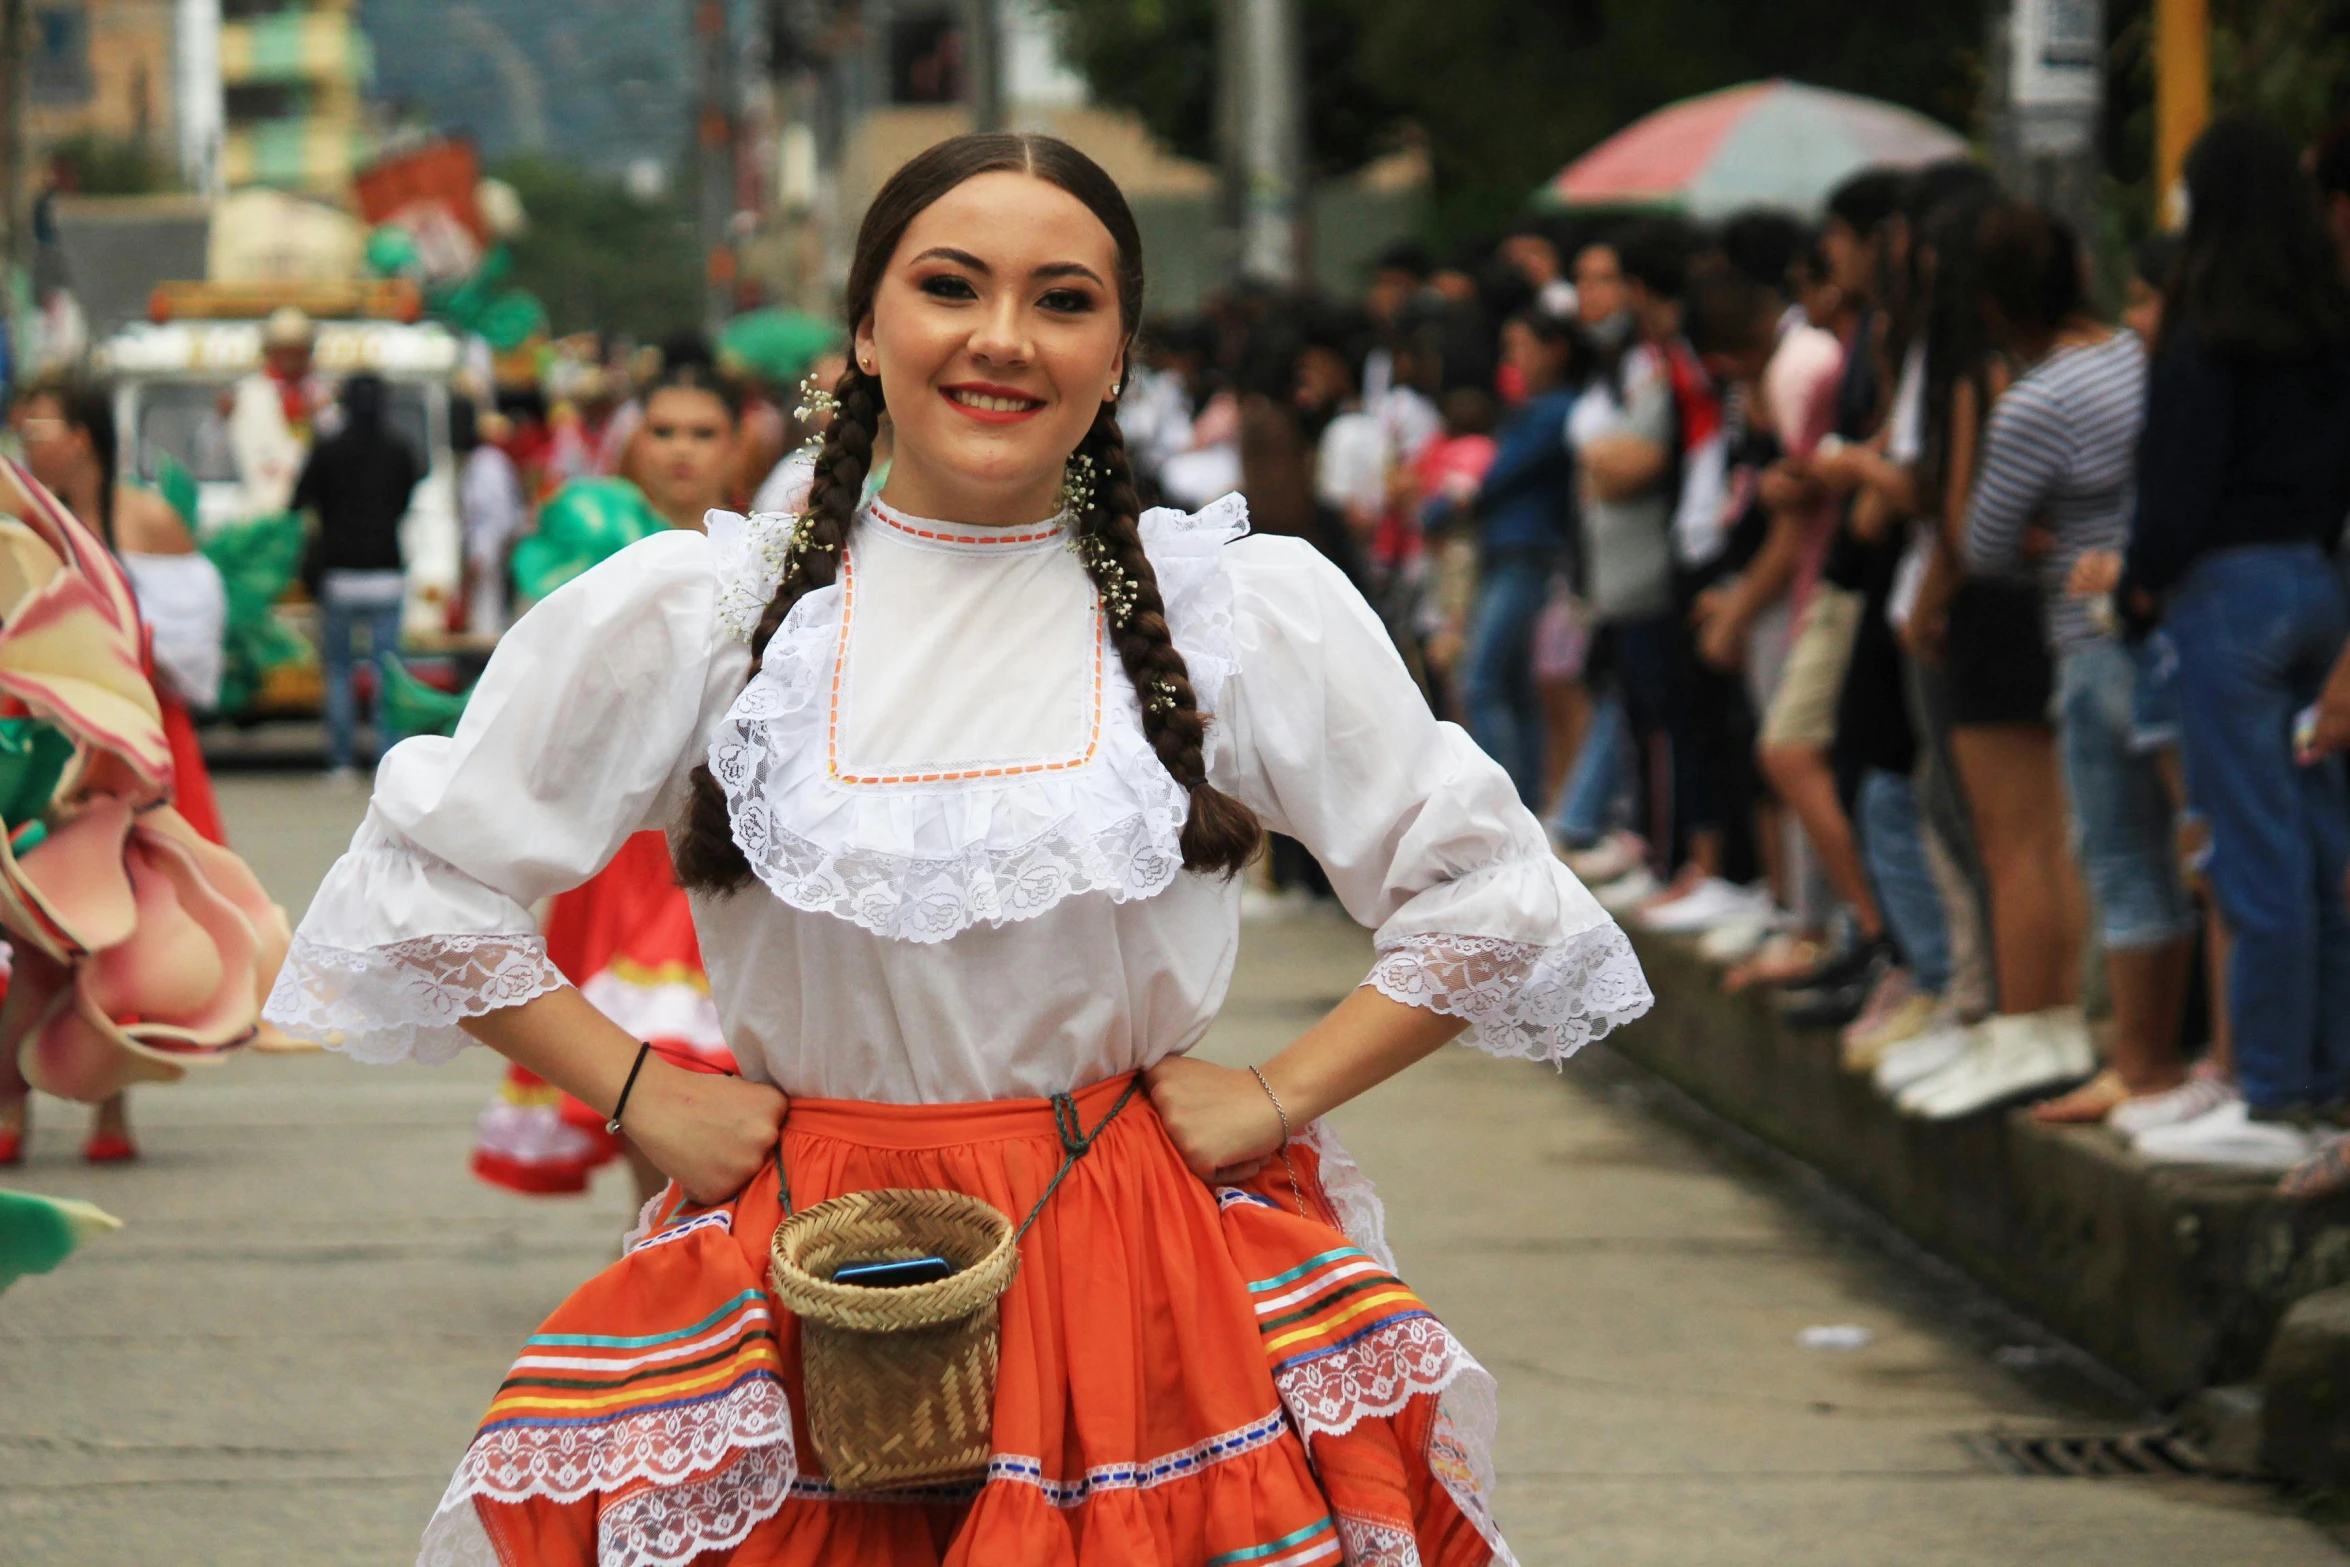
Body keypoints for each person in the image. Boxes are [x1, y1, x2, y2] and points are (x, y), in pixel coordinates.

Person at [264, 132, 1650, 1565]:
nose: (1002, 340)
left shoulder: (1231, 609)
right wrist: (639, 1094)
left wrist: (1276, 1096)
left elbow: (1492, 896)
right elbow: (419, 883)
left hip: (1139, 1264)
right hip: (803, 1262)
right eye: (949, 286)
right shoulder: (704, 610)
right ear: (865, 326)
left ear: (1119, 351)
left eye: (1063, 300)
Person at [2114, 114, 2350, 1179]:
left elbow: (2174, 484)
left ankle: (2268, 1091)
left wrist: (2138, 585)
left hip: (2226, 595)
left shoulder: (2203, 325)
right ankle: (2322, 1077)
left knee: (2248, 849)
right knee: (2316, 848)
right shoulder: (2326, 319)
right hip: (2316, 580)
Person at [474, 360, 744, 1200]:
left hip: (732, 829)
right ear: (632, 443)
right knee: (643, 1048)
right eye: (663, 431)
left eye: (703, 433)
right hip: (625, 840)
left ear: (739, 445)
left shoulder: (776, 544)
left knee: (728, 1055)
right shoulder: (591, 544)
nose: (681, 451)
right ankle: (657, 1239)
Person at [1948, 201, 2193, 1121]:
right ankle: (2185, 1063)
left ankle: (2140, 1063)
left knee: (2124, 854)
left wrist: (2042, 538)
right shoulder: (2148, 364)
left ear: (1994, 306)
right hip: (2176, 627)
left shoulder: (2039, 401)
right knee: (2198, 849)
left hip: (2092, 638)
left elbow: (1982, 541)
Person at [0, 380, 239, 1164]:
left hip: (129, 754)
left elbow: (194, 649)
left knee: (120, 936)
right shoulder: (16, 523)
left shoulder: (146, 520)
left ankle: (109, 1114)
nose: (29, 437)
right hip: (36, 746)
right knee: (35, 937)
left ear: (83, 437)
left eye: (43, 423)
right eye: (25, 424)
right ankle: (10, 1107)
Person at [293, 373, 423, 778]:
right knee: (388, 672)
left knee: (339, 669)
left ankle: (342, 761)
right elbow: (405, 498)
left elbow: (299, 500)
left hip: (339, 575)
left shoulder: (328, 448)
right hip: (387, 570)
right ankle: (390, 760)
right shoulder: (401, 449)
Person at [229, 307, 326, 518]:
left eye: (298, 350)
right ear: (270, 352)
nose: (291, 358)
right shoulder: (247, 394)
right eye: (284, 349)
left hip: (312, 515)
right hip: (260, 515)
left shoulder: (322, 395)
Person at [455, 399, 526, 637]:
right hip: (487, 533)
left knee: (488, 591)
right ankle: (484, 635)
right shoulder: (490, 461)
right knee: (487, 591)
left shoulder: (485, 460)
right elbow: (491, 504)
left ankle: (485, 632)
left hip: (485, 533)